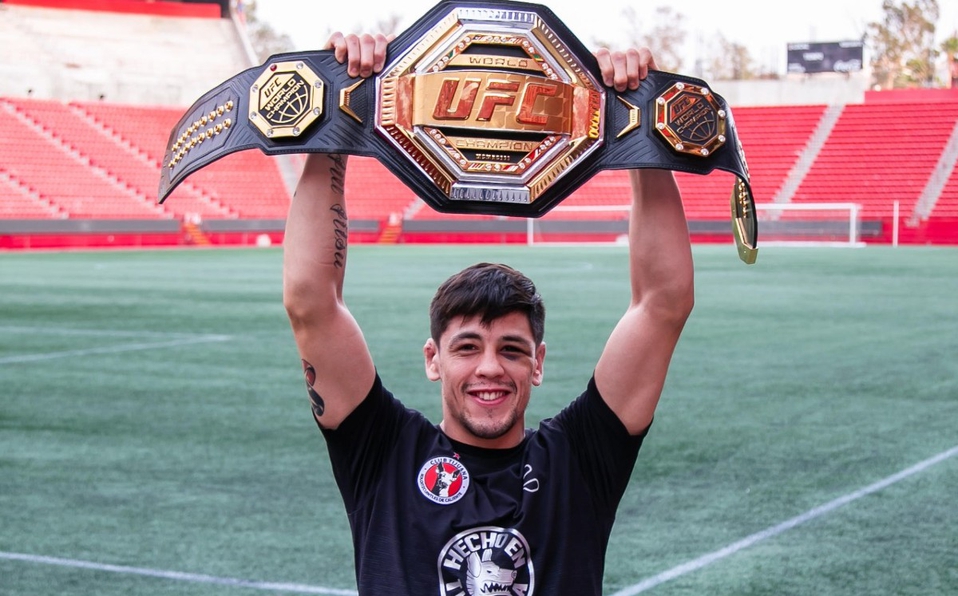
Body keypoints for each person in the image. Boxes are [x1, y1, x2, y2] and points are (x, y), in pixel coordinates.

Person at [282, 32, 694, 596]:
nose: (491, 368)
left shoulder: (578, 459)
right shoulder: (384, 453)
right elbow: (311, 303)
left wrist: (643, 121)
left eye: (512, 349)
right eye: (468, 346)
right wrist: (334, 111)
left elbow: (663, 305)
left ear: (539, 363)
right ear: (433, 359)